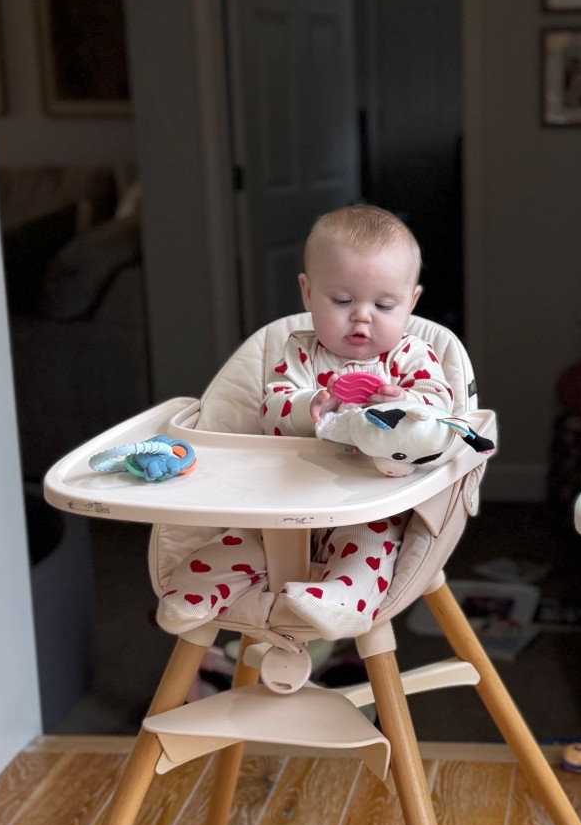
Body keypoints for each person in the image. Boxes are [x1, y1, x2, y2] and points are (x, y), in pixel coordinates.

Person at [157, 203, 453, 640]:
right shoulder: (300, 352)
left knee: (370, 548)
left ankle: (341, 602)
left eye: (384, 304)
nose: (362, 315)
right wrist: (310, 403)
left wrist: (406, 403)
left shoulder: (412, 355)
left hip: (366, 504)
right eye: (342, 300)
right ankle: (193, 591)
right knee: (239, 541)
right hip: (285, 500)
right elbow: (272, 411)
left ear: (411, 302)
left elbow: (441, 414)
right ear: (307, 292)